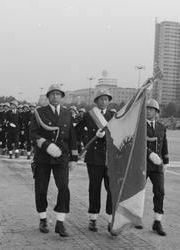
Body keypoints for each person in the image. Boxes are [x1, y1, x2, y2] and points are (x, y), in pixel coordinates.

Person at [29, 84, 78, 237]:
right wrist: (46, 145)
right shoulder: (39, 112)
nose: (55, 97)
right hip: (43, 157)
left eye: (58, 94)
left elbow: (72, 137)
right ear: (48, 96)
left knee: (64, 188)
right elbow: (33, 133)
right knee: (41, 188)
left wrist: (74, 158)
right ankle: (43, 218)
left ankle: (60, 222)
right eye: (53, 94)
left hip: (61, 157)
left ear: (62, 97)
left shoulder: (67, 113)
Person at [75, 88, 115, 235]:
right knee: (94, 188)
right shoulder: (89, 116)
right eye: (101, 99)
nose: (103, 101)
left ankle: (111, 219)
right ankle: (93, 218)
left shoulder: (114, 116)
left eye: (106, 99)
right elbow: (77, 133)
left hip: (109, 159)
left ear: (109, 101)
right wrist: (88, 139)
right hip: (94, 158)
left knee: (111, 189)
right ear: (96, 101)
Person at [141, 99, 169, 236]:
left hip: (157, 165)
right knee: (138, 191)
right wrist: (149, 154)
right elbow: (137, 144)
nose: (148, 111)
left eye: (151, 109)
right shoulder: (140, 126)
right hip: (142, 163)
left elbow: (164, 145)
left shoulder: (161, 127)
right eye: (147, 109)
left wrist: (166, 161)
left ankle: (157, 221)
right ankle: (136, 217)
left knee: (160, 192)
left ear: (157, 112)